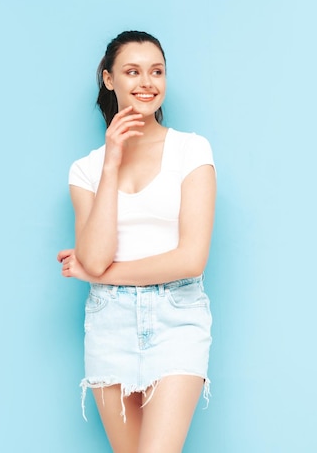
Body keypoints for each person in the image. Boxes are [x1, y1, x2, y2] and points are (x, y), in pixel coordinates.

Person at [57, 30, 216, 453]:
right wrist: (112, 161)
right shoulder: (86, 170)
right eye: (133, 71)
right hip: (110, 322)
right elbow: (93, 255)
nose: (147, 82)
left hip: (177, 316)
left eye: (157, 71)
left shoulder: (191, 151)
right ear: (110, 80)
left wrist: (101, 274)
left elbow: (191, 259)